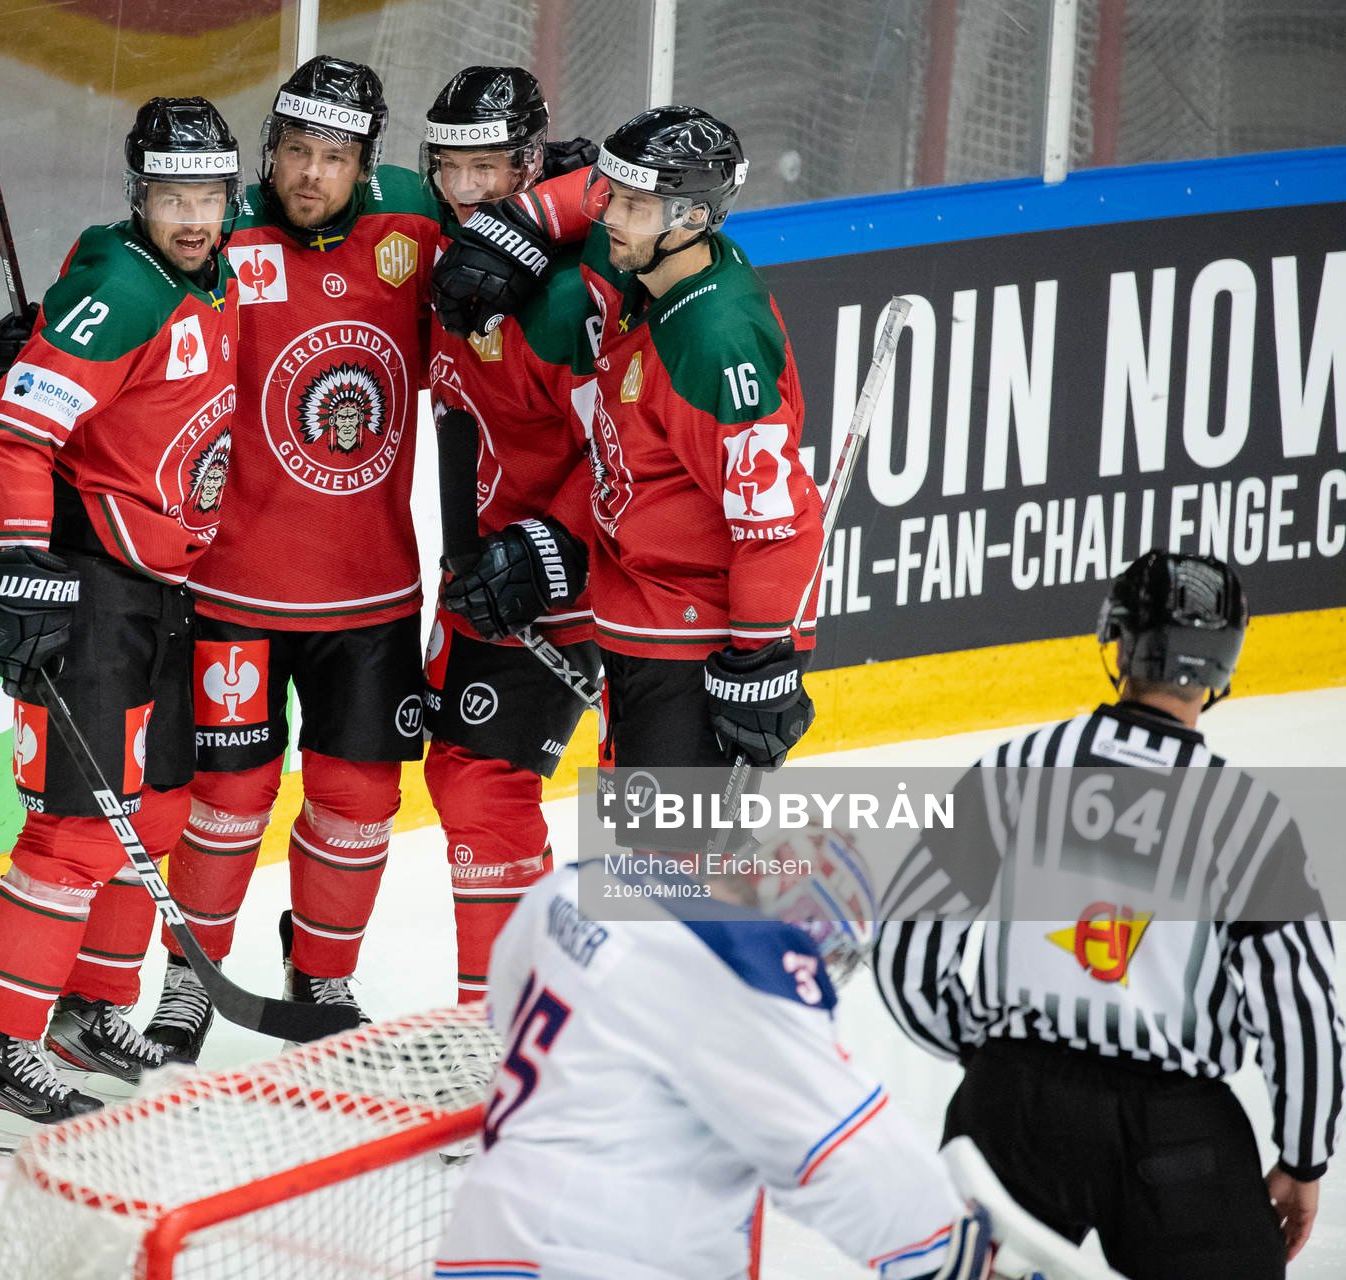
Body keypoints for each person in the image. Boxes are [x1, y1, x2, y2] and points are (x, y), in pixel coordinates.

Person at [120, 55, 600, 1067]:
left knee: (358, 800)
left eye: (334, 157)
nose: (310, 175)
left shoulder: (422, 227)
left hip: (371, 596)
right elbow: (122, 260)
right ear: (267, 153)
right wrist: (41, 329)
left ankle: (324, 970)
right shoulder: (223, 229)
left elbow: (597, 180)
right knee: (228, 799)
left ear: (368, 166)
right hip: (234, 592)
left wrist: (532, 216)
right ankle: (186, 982)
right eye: (294, 151)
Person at [873, 550, 1343, 1279]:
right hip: (1177, 1136)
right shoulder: (1249, 819)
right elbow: (1304, 1005)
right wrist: (1304, 1157)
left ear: (1118, 644)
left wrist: (992, 1053)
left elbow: (905, 943)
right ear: (1224, 667)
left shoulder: (1019, 768)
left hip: (1016, 1113)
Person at [0, 97, 241, 1151]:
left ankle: (79, 1017)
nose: (193, 215)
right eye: (172, 195)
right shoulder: (123, 290)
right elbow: (6, 443)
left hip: (168, 587)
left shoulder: (221, 272)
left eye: (208, 193)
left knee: (153, 812)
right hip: (94, 586)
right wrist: (24, 565)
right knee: (75, 831)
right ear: (141, 194)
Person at [435, 830, 996, 1279]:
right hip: (601, 1255)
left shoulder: (585, 883)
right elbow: (844, 1149)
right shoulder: (744, 969)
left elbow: (503, 1004)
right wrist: (946, 1250)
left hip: (480, 1240)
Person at [421, 66, 600, 1004]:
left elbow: (630, 452)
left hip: (590, 576)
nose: (463, 192)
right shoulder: (444, 251)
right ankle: (512, 1023)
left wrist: (549, 547)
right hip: (488, 571)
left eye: (487, 170)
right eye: (448, 168)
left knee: (648, 826)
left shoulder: (567, 296)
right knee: (470, 780)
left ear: (529, 164)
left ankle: (529, 1034)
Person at [573, 106, 821, 779]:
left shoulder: (713, 338)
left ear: (688, 218)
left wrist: (760, 658)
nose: (610, 218)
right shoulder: (658, 273)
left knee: (669, 872)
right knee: (640, 865)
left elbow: (774, 518)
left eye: (633, 205)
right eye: (611, 194)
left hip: (695, 646)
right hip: (644, 621)